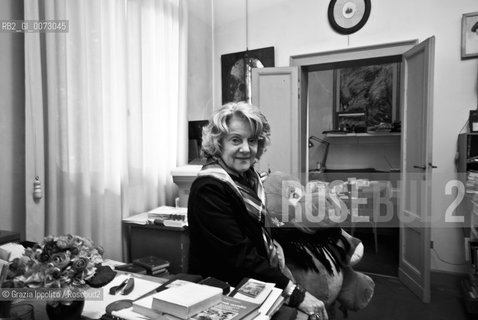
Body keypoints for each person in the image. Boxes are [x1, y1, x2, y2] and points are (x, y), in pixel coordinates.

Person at [187, 102, 329, 320]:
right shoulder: (209, 188)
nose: (246, 148)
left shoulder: (247, 179)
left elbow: (259, 229)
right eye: (236, 140)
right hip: (221, 293)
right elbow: (239, 257)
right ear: (219, 144)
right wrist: (296, 294)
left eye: (252, 140)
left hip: (253, 283)